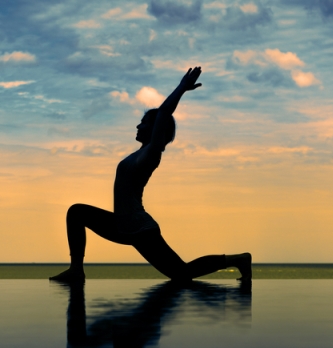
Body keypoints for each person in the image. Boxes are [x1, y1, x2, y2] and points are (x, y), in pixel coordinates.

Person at [50, 67, 251, 283]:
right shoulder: (138, 154)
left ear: (156, 129)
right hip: (121, 224)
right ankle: (76, 270)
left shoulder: (151, 153)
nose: (138, 125)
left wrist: (182, 88)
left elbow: (164, 113)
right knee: (76, 212)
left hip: (139, 228)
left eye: (144, 123)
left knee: (181, 273)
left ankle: (238, 259)